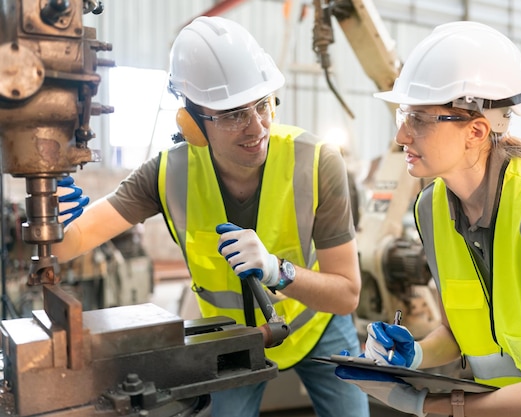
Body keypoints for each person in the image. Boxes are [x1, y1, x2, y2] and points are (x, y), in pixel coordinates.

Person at [53, 16, 369, 417]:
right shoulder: (167, 175)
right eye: (234, 114)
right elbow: (74, 242)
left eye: (262, 104)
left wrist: (277, 270)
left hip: (317, 327)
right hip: (230, 340)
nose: (256, 127)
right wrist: (58, 224)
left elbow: (346, 294)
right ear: (193, 124)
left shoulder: (317, 162)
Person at [335, 21, 521, 417]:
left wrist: (436, 406)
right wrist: (416, 354)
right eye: (405, 114)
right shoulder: (432, 206)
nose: (402, 135)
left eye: (419, 118)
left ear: (475, 130)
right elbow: (461, 333)